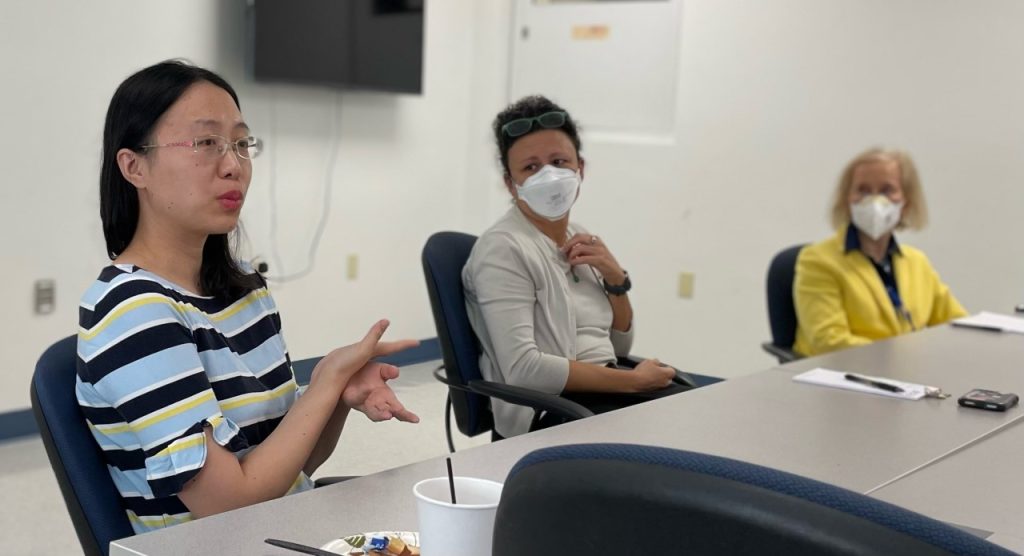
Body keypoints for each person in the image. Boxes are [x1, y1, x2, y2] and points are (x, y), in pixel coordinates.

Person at [76, 60, 418, 533]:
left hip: (281, 530)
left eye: (241, 143)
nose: (233, 165)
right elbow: (229, 504)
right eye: (206, 143)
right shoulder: (133, 311)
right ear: (134, 166)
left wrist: (338, 395)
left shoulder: (242, 289)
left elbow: (292, 467)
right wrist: (325, 383)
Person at [462, 95, 688, 439]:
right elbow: (524, 370)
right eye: (531, 167)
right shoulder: (503, 249)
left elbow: (616, 347)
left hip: (602, 393)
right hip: (551, 411)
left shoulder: (579, 238)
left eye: (559, 161)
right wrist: (633, 382)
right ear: (511, 184)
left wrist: (616, 280)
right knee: (683, 432)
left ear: (580, 168)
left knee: (700, 414)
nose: (549, 175)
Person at [793, 147, 967, 356]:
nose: (875, 201)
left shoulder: (916, 261)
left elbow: (956, 323)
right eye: (863, 190)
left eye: (887, 190)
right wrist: (905, 357)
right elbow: (829, 340)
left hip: (910, 371)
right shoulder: (817, 261)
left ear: (906, 202)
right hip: (846, 372)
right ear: (847, 199)